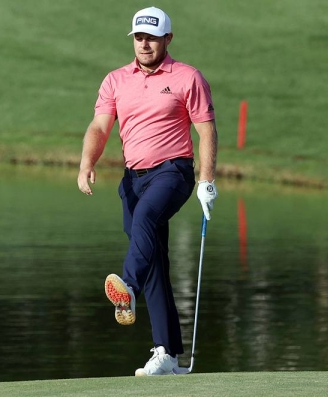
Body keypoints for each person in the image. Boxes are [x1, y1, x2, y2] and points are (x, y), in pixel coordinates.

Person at [77, 6, 218, 376]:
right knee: (152, 254)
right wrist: (86, 162)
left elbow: (206, 130)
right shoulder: (116, 80)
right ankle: (166, 354)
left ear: (167, 39)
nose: (144, 44)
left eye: (152, 37)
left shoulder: (188, 78)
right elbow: (99, 126)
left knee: (144, 219)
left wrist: (206, 180)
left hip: (173, 173)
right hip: (133, 178)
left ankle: (128, 286)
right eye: (139, 37)